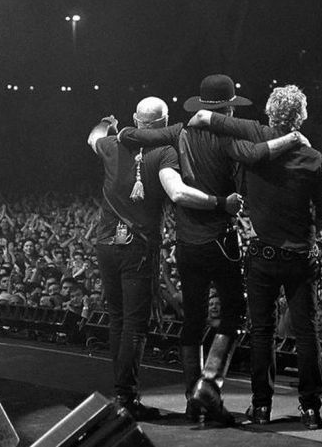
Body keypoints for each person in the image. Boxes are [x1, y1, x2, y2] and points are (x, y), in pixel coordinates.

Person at [114, 74, 308, 424]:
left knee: (193, 319)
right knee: (233, 314)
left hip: (186, 244)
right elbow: (256, 153)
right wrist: (293, 138)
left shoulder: (178, 132)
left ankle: (193, 399)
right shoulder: (225, 136)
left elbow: (132, 136)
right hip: (219, 240)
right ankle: (210, 382)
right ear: (227, 108)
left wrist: (124, 131)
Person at [86, 96, 241, 421]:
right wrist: (220, 202)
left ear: (135, 120)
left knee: (117, 319)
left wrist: (107, 123)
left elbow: (92, 137)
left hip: (107, 242)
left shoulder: (112, 144)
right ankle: (126, 399)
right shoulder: (165, 151)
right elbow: (178, 193)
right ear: (164, 122)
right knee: (134, 325)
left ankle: (122, 395)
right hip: (138, 247)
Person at [189, 84, 322, 430]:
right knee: (306, 332)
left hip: (263, 254)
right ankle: (311, 409)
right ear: (301, 116)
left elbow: (204, 118)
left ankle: (262, 407)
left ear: (270, 113)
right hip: (299, 256)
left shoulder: (254, 139)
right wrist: (304, 235)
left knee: (263, 332)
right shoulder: (315, 159)